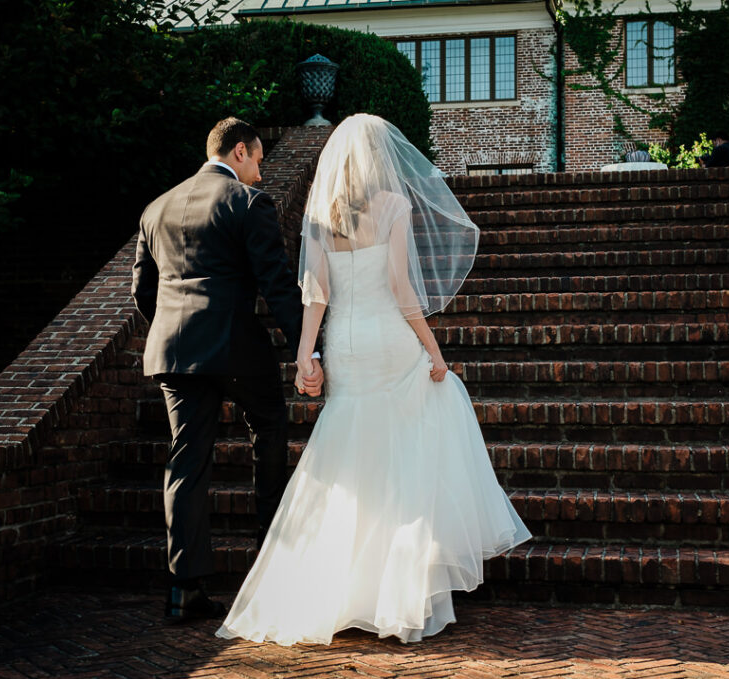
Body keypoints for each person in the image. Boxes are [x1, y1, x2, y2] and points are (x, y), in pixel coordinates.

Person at [215, 113, 531, 646]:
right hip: (387, 339)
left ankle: (335, 586)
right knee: (415, 439)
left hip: (345, 344)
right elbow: (401, 289)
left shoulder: (319, 215)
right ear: (379, 158)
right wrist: (435, 351)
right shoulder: (393, 206)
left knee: (350, 453)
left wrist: (304, 356)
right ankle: (402, 584)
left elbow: (315, 294)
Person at [132, 117, 324, 624]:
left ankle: (183, 588)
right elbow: (277, 284)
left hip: (174, 351)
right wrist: (309, 350)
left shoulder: (156, 208)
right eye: (258, 160)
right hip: (236, 345)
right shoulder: (246, 203)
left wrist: (175, 332)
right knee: (269, 428)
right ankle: (271, 564)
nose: (259, 172)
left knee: (186, 461)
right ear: (239, 152)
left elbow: (142, 292)